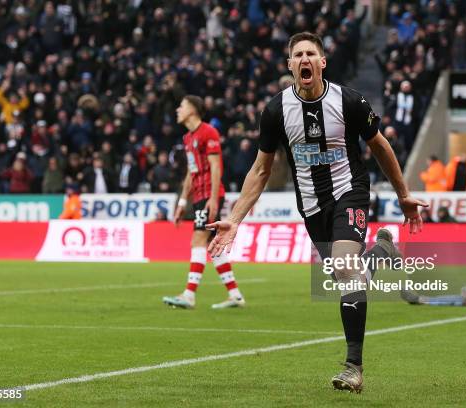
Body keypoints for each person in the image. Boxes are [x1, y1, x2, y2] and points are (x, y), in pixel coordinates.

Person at [206, 32, 427, 393]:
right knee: (349, 278)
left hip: (349, 191)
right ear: (290, 65)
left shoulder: (350, 102)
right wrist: (235, 217)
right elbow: (260, 170)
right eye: (298, 55)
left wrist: (403, 195)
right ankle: (381, 252)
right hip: (311, 204)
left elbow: (381, 147)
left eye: (311, 53)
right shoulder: (276, 111)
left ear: (322, 62)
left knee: (343, 266)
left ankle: (353, 367)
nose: (304, 59)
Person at [162, 95, 245, 310]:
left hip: (209, 195)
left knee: (197, 241)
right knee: (213, 246)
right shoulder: (188, 139)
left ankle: (189, 295)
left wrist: (213, 199)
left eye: (181, 106)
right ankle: (235, 295)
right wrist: (182, 202)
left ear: (192, 109)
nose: (177, 110)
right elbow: (192, 172)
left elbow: (216, 167)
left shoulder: (209, 132)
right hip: (198, 196)